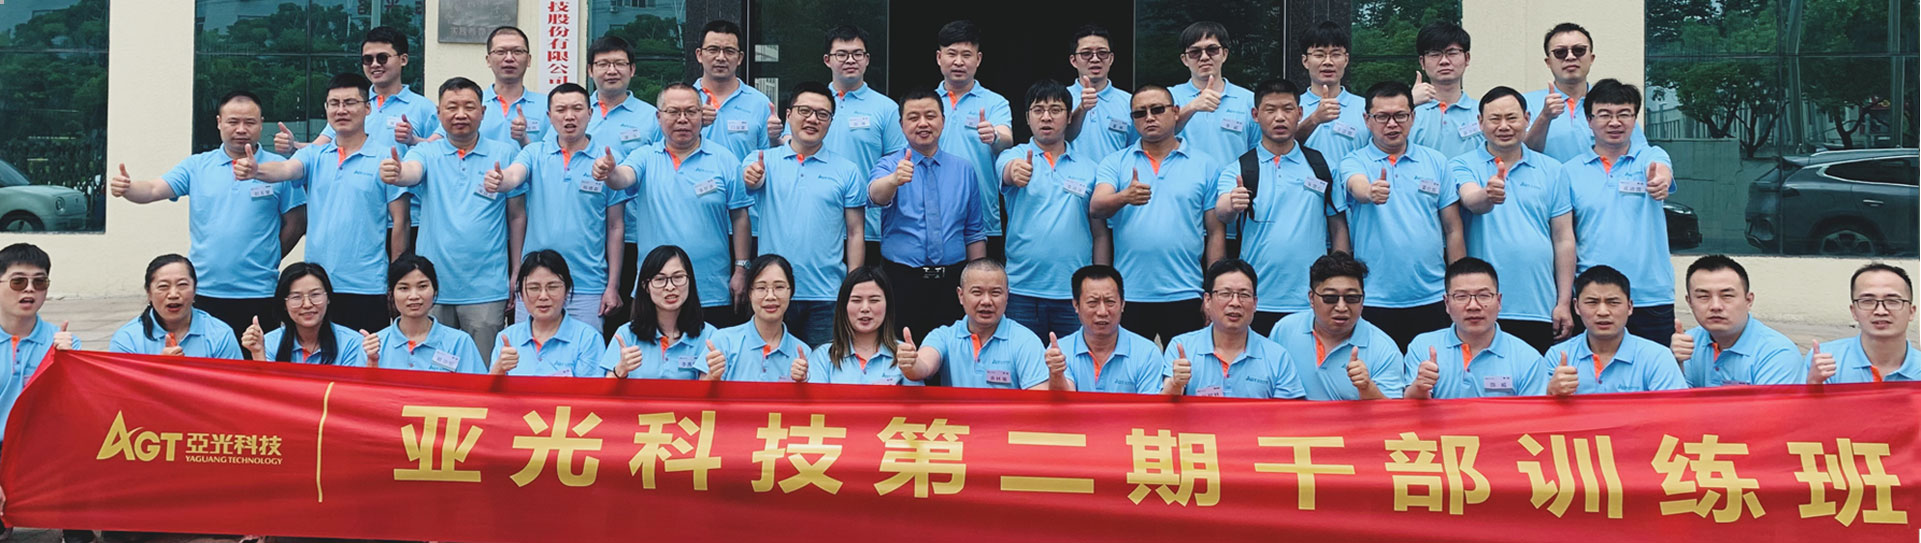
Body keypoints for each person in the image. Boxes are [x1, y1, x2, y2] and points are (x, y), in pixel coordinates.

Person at [109, 90, 305, 352]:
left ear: (261, 124)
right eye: (233, 121)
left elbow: (297, 222)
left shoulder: (279, 168)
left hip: (259, 291)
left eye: (249, 122)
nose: (241, 129)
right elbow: (154, 189)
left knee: (257, 363)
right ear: (219, 123)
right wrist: (128, 189)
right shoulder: (197, 166)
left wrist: (269, 255)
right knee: (204, 365)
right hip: (205, 291)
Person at [243, 72, 408, 334]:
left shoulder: (385, 158)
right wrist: (257, 170)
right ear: (326, 108)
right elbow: (286, 169)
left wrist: (396, 280)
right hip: (316, 287)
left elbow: (401, 221)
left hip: (366, 286)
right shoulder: (314, 154)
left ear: (367, 109)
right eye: (334, 103)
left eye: (350, 103)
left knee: (364, 356)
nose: (341, 110)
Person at [382, 77, 525, 357]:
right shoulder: (425, 152)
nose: (460, 114)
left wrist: (516, 271)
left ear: (483, 112)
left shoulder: (505, 154)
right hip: (432, 288)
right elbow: (412, 171)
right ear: (439, 113)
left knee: (483, 370)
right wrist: (398, 173)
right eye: (452, 107)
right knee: (434, 370)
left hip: (486, 288)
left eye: (469, 106)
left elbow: (517, 217)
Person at [597, 83, 754, 328]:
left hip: (710, 290)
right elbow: (622, 178)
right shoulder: (644, 157)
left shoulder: (724, 159)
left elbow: (740, 217)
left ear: (702, 115)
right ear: (659, 117)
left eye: (691, 111)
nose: (682, 119)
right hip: (655, 289)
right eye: (673, 112)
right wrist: (610, 173)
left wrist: (741, 269)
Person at [489, 83, 636, 332]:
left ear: (590, 113)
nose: (569, 116)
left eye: (577, 109)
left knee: (585, 353)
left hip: (588, 284)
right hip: (535, 282)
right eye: (561, 110)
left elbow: (615, 226)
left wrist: (613, 286)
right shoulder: (534, 153)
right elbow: (514, 175)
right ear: (549, 116)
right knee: (529, 351)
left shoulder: (607, 160)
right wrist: (501, 180)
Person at [1091, 85, 1227, 343]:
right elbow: (1096, 207)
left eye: (1157, 110)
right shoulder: (1115, 162)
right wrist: (1124, 197)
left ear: (1175, 112)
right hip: (1129, 294)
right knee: (1127, 367)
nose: (1149, 117)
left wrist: (1214, 292)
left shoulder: (1206, 165)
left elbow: (1216, 232)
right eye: (1140, 113)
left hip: (1186, 291)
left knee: (1186, 365)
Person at [1214, 78, 1349, 332]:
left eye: (1287, 109)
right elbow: (1222, 212)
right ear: (1255, 115)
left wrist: (1339, 280)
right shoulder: (1240, 168)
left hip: (1312, 299)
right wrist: (1232, 203)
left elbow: (1338, 226)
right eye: (1270, 110)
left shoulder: (1322, 166)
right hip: (1257, 298)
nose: (1279, 117)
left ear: (1300, 113)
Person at [1339, 81, 1462, 349]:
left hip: (1431, 295)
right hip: (1373, 296)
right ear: (1367, 120)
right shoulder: (1353, 161)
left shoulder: (1437, 162)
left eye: (1400, 116)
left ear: (1413, 117)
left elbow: (1453, 229)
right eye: (1382, 117)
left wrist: (1458, 287)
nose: (1392, 124)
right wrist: (1369, 192)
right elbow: (1356, 185)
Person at [1452, 86, 1572, 351]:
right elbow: (1471, 199)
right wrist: (1487, 194)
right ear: (1480, 122)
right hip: (1480, 307)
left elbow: (1563, 238)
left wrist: (1563, 302)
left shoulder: (1553, 170)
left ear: (1527, 119)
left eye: (1512, 118)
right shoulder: (1461, 165)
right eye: (1495, 119)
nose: (1504, 126)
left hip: (1539, 305)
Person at [747, 82, 866, 345]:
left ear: (830, 121)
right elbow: (750, 183)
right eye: (804, 111)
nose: (812, 119)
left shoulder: (847, 171)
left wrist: (853, 285)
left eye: (822, 114)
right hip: (773, 293)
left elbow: (855, 232)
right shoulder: (762, 161)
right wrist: (752, 177)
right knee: (771, 365)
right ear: (788, 115)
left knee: (824, 366)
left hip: (827, 294)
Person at [1563, 79, 1677, 346]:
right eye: (1604, 114)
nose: (1614, 122)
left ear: (1634, 119)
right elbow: (1564, 238)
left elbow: (1661, 171)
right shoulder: (1568, 171)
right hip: (1593, 296)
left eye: (1624, 114)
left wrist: (1660, 181)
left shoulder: (1650, 156)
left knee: (1654, 367)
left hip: (1649, 295)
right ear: (1589, 120)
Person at [867, 88, 987, 343]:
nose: (923, 123)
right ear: (902, 125)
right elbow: (875, 196)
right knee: (902, 354)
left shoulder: (964, 169)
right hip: (901, 280)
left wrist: (978, 282)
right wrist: (894, 180)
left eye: (930, 116)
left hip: (952, 281)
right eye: (913, 117)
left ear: (942, 120)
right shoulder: (889, 165)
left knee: (953, 354)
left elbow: (974, 232)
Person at [996, 80, 1109, 340]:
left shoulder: (1091, 168)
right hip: (1021, 291)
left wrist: (1101, 282)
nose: (1046, 117)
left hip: (1075, 293)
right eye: (1038, 110)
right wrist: (1016, 172)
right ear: (1027, 118)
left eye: (1056, 110)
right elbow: (1009, 172)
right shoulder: (1012, 156)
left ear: (1069, 117)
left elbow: (1100, 233)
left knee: (1075, 362)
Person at [583, 35, 664, 337]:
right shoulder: (577, 112)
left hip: (633, 233)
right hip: (586, 233)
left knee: (630, 319)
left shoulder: (651, 118)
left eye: (619, 63)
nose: (611, 70)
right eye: (603, 64)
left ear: (632, 69)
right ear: (590, 70)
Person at [898, 259, 1067, 390]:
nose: (986, 301)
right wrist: (911, 364)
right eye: (977, 292)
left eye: (995, 293)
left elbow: (1038, 397)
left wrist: (1056, 375)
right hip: (958, 425)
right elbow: (923, 367)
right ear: (961, 295)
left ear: (1007, 296)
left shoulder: (1025, 341)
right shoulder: (943, 336)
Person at [815, 25, 905, 268]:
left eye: (857, 54)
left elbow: (897, 164)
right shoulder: (811, 105)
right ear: (827, 60)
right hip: (818, 224)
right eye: (842, 54)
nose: (850, 60)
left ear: (867, 60)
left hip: (870, 227)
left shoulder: (886, 109)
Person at [1530, 265, 1688, 396]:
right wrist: (1551, 393)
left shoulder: (1657, 357)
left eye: (1613, 302)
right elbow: (1540, 415)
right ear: (1576, 307)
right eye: (1592, 302)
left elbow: (1673, 412)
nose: (1603, 312)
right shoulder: (1558, 356)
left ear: (1630, 307)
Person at [279, 26, 440, 154]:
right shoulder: (350, 104)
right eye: (368, 59)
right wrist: (293, 146)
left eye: (382, 58)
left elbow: (440, 152)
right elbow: (321, 147)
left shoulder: (424, 108)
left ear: (403, 59)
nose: (375, 64)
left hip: (401, 186)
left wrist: (413, 140)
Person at [1268, 251, 1405, 400]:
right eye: (1330, 298)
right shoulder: (1284, 330)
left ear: (1363, 300)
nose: (1341, 307)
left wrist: (1367, 387)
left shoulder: (1384, 350)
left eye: (1351, 298)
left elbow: (1392, 412)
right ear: (1312, 298)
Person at [1402, 257, 1545, 399]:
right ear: (1447, 303)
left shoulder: (1527, 358)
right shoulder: (1423, 346)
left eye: (1483, 296)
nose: (1473, 306)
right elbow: (1410, 409)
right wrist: (1420, 387)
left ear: (1499, 301)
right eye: (1461, 296)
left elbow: (1534, 412)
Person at [930, 20, 1014, 259]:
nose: (959, 61)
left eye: (966, 55)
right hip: (933, 215)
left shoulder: (995, 102)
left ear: (978, 59)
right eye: (951, 54)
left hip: (982, 215)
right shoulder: (926, 102)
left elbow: (1007, 139)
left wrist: (994, 135)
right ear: (939, 58)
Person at [1163, 259, 1305, 399]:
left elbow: (1288, 412)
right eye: (1225, 294)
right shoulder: (1182, 347)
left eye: (1244, 295)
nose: (1235, 303)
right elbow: (1164, 407)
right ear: (1207, 300)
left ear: (1255, 303)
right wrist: (1176, 384)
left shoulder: (1277, 357)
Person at [1524, 23, 1653, 162]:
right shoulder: (1525, 103)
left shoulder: (1613, 101)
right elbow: (1521, 156)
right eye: (1560, 52)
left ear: (1591, 58)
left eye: (1579, 50)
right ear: (1548, 62)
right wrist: (1545, 117)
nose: (1570, 57)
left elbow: (1642, 153)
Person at [1672, 255, 1802, 387]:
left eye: (1727, 296)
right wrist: (1676, 365)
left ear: (1748, 300)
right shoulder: (1687, 344)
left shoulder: (1777, 353)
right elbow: (1677, 398)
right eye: (1703, 296)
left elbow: (1770, 402)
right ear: (1690, 302)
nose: (1715, 306)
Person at [603, 245, 724, 381]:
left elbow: (706, 390)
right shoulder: (626, 334)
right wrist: (621, 370)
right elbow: (605, 391)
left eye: (678, 277)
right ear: (645, 286)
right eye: (660, 279)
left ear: (690, 281)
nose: (670, 287)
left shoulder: (709, 335)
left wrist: (713, 376)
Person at [0, 244, 78, 439]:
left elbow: (75, 407)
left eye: (39, 282)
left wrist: (68, 363)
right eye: (18, 282)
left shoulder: (65, 343)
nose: (29, 289)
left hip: (39, 447)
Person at [489, 250, 605, 377]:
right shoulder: (508, 337)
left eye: (553, 287)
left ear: (567, 290)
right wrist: (499, 369)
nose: (543, 296)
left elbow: (592, 388)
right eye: (534, 288)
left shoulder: (587, 339)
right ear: (521, 293)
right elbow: (489, 389)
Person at [109, 254, 243, 359]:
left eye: (182, 285)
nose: (173, 294)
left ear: (195, 289)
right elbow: (122, 386)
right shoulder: (127, 339)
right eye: (163, 286)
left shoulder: (220, 334)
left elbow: (232, 383)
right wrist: (158, 368)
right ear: (149, 293)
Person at [1054, 265, 1162, 394]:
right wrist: (1056, 375)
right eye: (1092, 302)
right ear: (1076, 305)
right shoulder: (1060, 351)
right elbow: (1064, 402)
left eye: (1110, 302)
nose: (1102, 312)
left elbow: (1150, 405)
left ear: (1122, 304)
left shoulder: (1147, 353)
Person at [372, 254, 487, 373]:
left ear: (435, 290)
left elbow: (476, 384)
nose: (414, 296)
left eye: (422, 286)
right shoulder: (375, 344)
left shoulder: (459, 342)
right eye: (404, 288)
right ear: (391, 294)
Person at [1806, 263, 1918, 384]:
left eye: (1892, 301)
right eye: (1868, 301)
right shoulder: (1824, 360)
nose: (1880, 311)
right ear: (1854, 311)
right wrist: (1813, 384)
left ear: (1911, 312)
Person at [244, 263, 371, 366]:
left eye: (315, 295)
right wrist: (258, 353)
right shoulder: (269, 342)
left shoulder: (352, 343)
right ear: (284, 304)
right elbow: (266, 389)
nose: (307, 304)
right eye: (296, 297)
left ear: (328, 298)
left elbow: (349, 388)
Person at [1170, 21, 1258, 170]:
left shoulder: (1249, 100)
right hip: (1183, 183)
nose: (1204, 57)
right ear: (1185, 60)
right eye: (1195, 52)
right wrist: (1192, 107)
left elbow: (1258, 152)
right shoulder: (1169, 97)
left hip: (1233, 183)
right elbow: (1154, 137)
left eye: (1212, 50)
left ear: (1224, 54)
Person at [807, 267, 917, 385]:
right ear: (843, 306)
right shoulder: (823, 356)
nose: (865, 308)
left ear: (887, 305)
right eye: (856, 300)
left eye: (874, 300)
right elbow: (816, 397)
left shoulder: (904, 354)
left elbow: (916, 396)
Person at [709, 255, 810, 383]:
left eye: (779, 287)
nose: (770, 296)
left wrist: (803, 383)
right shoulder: (724, 341)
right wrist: (713, 377)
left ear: (791, 291)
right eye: (761, 288)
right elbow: (700, 392)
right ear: (749, 293)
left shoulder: (803, 352)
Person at [692, 20, 776, 162]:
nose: (721, 57)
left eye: (729, 51)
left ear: (740, 58)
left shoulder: (760, 103)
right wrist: (695, 121)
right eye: (713, 50)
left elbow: (768, 158)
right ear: (699, 55)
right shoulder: (682, 101)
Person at [1294, 21, 1370, 166]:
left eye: (1336, 54)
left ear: (1346, 59)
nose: (1328, 62)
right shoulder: (1291, 107)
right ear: (1305, 61)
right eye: (1319, 55)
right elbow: (1278, 149)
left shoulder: (1365, 108)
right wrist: (1314, 119)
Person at [1407, 22, 1483, 159]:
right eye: (1435, 54)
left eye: (1452, 53)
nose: (1444, 61)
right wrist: (1408, 103)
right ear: (1422, 62)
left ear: (1467, 58)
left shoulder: (1483, 112)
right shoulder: (1408, 114)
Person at [1063, 24, 1137, 164]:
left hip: (1116, 178)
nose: (1095, 59)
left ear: (1111, 58)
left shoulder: (1130, 102)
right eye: (1086, 53)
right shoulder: (1059, 99)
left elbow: (1136, 150)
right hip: (1069, 177)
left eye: (1102, 53)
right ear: (1073, 61)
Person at [472, 26, 544, 147]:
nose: (509, 58)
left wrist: (524, 139)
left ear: (529, 60)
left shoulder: (548, 106)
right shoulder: (472, 104)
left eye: (517, 51)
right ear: (488, 60)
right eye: (500, 52)